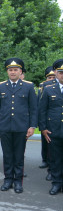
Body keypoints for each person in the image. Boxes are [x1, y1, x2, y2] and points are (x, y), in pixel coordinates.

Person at [0, 58, 37, 194]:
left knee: (18, 156)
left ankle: (18, 181)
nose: (12, 72)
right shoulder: (0, 87)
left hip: (21, 127)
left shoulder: (28, 87)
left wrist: (32, 126)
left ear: (20, 71)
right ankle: (8, 179)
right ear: (7, 71)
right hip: (4, 126)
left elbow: (33, 108)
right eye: (10, 70)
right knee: (7, 155)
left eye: (15, 70)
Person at [39, 59, 63, 195]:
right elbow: (42, 110)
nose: (62, 75)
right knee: (55, 159)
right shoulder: (48, 89)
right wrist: (42, 128)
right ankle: (56, 183)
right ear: (56, 73)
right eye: (60, 72)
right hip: (53, 130)